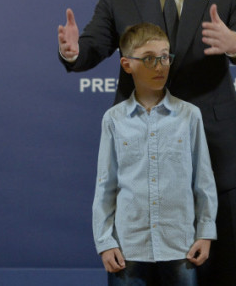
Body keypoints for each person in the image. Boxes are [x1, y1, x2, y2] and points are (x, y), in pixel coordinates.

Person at [58, 0, 236, 286]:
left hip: (216, 150)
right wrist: (72, 52)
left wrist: (234, 42)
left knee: (222, 271)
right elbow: (92, 47)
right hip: (143, 157)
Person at [93, 23, 217, 285]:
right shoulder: (113, 120)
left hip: (180, 247)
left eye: (164, 57)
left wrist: (205, 233)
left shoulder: (189, 115)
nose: (160, 66)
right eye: (149, 59)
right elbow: (105, 186)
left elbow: (203, 182)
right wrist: (105, 242)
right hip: (128, 249)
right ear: (127, 64)